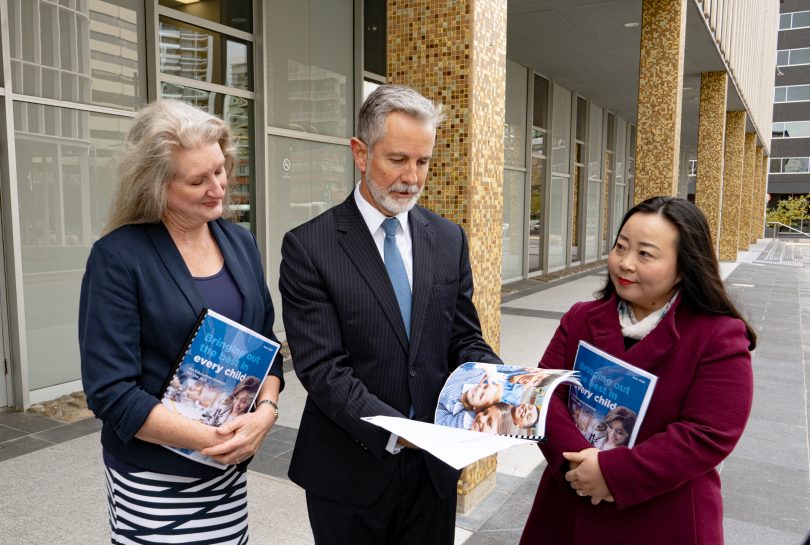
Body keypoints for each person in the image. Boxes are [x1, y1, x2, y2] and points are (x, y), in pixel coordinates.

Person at [279, 84, 501, 545]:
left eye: (422, 162)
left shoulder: (447, 239)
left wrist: (500, 381)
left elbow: (463, 338)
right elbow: (323, 370)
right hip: (349, 472)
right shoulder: (309, 247)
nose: (412, 177)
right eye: (397, 159)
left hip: (432, 476)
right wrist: (401, 434)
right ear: (360, 153)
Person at [79, 99, 284, 543]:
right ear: (156, 187)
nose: (219, 187)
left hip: (226, 474)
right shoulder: (118, 258)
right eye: (198, 179)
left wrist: (264, 415)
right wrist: (217, 439)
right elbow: (111, 393)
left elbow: (266, 346)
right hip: (155, 480)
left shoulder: (240, 242)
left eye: (220, 169)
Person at [520, 196, 756, 545]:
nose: (625, 263)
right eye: (620, 247)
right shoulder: (581, 317)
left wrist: (612, 474)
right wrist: (579, 467)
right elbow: (543, 391)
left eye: (645, 254)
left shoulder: (717, 336)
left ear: (684, 265)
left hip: (660, 517)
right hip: (568, 505)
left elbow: (707, 433)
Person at [435, 362, 505, 428]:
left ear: (476, 409)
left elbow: (439, 420)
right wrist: (489, 372)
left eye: (480, 396)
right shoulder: (476, 375)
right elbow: (484, 364)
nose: (479, 390)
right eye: (485, 387)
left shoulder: (456, 411)